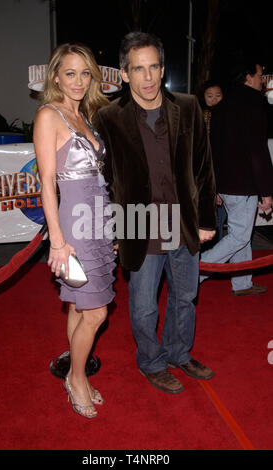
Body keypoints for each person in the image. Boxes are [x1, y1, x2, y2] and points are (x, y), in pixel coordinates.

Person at [93, 32, 217, 394]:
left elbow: (203, 167)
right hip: (139, 224)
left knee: (185, 297)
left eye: (153, 68)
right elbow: (104, 181)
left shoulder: (189, 106)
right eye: (138, 69)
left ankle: (179, 352)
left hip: (183, 221)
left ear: (162, 70)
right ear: (125, 74)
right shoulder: (108, 118)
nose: (147, 78)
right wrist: (111, 232)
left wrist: (207, 219)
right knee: (144, 305)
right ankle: (151, 361)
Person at [33, 43, 116, 418]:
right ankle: (77, 378)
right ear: (55, 77)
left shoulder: (86, 115)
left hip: (97, 219)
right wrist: (58, 241)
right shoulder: (49, 115)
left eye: (85, 73)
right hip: (72, 223)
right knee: (97, 312)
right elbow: (47, 181)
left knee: (77, 305)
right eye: (70, 73)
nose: (79, 81)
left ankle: (75, 370)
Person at [200, 63, 273, 295]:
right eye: (260, 75)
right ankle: (194, 272)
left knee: (240, 234)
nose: (263, 80)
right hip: (243, 185)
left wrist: (216, 186)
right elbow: (257, 150)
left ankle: (242, 283)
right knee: (240, 236)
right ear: (248, 77)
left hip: (226, 183)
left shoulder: (223, 106)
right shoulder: (252, 104)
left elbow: (214, 149)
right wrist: (267, 190)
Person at [199, 80, 226, 242]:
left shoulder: (228, 115)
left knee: (220, 219)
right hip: (206, 172)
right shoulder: (201, 115)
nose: (214, 100)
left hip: (221, 173)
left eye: (218, 96)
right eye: (210, 96)